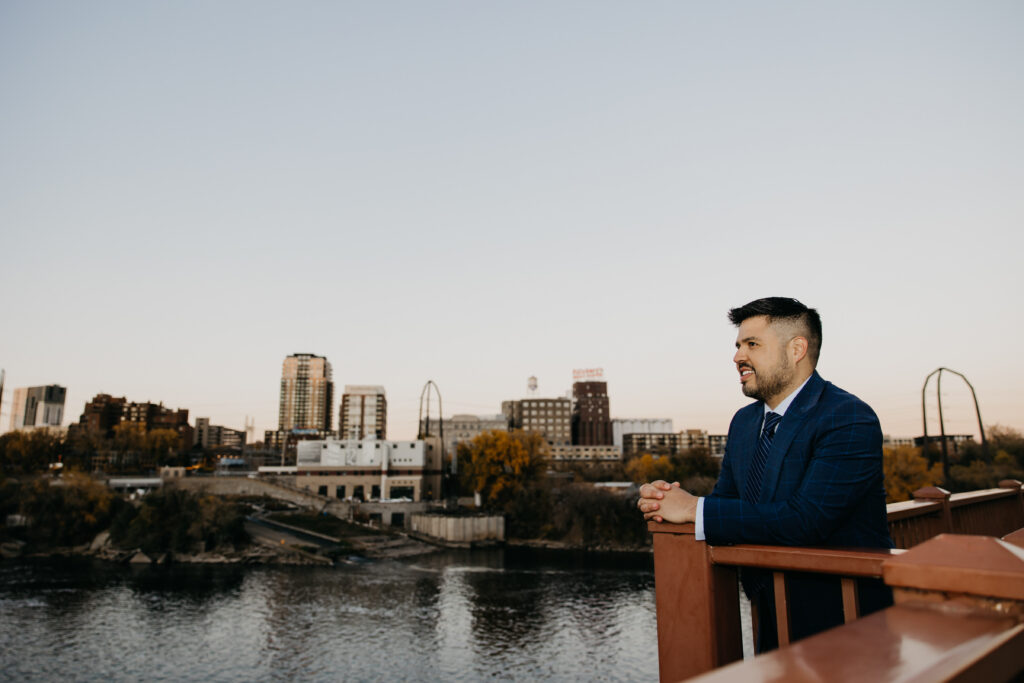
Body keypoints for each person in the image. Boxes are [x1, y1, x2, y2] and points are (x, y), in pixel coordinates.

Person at [637, 297, 892, 651]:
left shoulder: (847, 417)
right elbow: (727, 500)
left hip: (847, 620)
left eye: (752, 344)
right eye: (738, 345)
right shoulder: (744, 422)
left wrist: (694, 509)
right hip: (768, 614)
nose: (738, 356)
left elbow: (807, 519)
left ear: (796, 349)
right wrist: (666, 500)